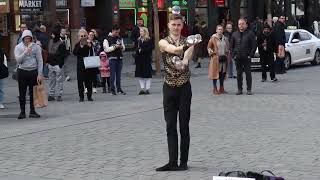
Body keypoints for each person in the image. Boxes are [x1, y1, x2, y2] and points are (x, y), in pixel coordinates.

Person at [156, 13, 196, 172]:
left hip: (184, 88)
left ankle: (183, 162)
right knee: (170, 126)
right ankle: (172, 161)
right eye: (173, 25)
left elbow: (186, 58)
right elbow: (173, 49)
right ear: (168, 25)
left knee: (184, 126)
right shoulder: (162, 41)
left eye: (179, 25)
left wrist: (184, 61)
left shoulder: (189, 41)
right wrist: (187, 46)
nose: (176, 27)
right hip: (169, 88)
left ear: (182, 25)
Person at [14, 30, 43, 119]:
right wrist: (25, 51)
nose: (28, 40)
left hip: (33, 71)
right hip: (22, 71)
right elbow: (18, 60)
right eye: (26, 38)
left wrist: (39, 74)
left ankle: (32, 111)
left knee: (33, 93)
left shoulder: (36, 47)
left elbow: (40, 60)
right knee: (22, 93)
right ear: (23, 38)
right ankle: (22, 112)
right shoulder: (18, 47)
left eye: (29, 38)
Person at [230, 18, 257, 95]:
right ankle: (239, 89)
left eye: (242, 24)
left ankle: (249, 89)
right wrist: (233, 55)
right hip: (237, 57)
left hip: (247, 57)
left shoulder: (250, 33)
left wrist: (250, 55)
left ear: (246, 25)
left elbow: (254, 45)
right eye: (239, 24)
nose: (241, 25)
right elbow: (231, 46)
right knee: (239, 74)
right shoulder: (234, 34)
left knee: (248, 74)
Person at [73, 29, 95, 102]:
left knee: (89, 82)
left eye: (84, 36)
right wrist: (81, 46)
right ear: (79, 37)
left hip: (88, 65)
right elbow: (74, 53)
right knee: (80, 82)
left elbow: (92, 54)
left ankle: (89, 96)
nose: (83, 37)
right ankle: (81, 97)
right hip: (80, 66)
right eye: (81, 36)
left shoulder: (89, 43)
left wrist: (89, 46)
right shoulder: (77, 44)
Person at [103, 25, 126, 95]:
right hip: (112, 58)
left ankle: (119, 89)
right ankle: (112, 89)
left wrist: (122, 47)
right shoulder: (107, 39)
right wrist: (115, 47)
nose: (117, 34)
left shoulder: (119, 38)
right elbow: (106, 49)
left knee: (118, 75)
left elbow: (124, 48)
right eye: (116, 32)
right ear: (112, 30)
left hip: (120, 58)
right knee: (112, 75)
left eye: (118, 32)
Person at [208, 25, 229, 94]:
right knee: (215, 73)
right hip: (216, 59)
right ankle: (215, 88)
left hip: (223, 58)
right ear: (216, 30)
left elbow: (227, 48)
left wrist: (227, 53)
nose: (220, 31)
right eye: (219, 29)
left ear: (223, 30)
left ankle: (221, 88)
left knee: (222, 73)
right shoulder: (213, 38)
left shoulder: (225, 38)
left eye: (221, 29)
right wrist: (212, 53)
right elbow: (209, 47)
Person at [47, 29, 68, 102]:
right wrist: (48, 62)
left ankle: (59, 95)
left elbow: (63, 55)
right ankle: (51, 94)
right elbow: (48, 53)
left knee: (59, 81)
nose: (51, 35)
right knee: (51, 80)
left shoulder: (61, 43)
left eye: (52, 34)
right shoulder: (50, 41)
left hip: (57, 64)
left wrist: (60, 64)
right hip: (51, 64)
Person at [135, 27, 153, 95]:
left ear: (145, 32)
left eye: (142, 31)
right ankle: (142, 88)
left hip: (146, 59)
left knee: (147, 74)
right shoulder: (138, 40)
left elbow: (150, 48)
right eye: (140, 31)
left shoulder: (149, 40)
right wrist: (137, 50)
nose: (140, 32)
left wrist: (142, 50)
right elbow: (136, 48)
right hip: (139, 59)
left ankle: (147, 88)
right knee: (140, 74)